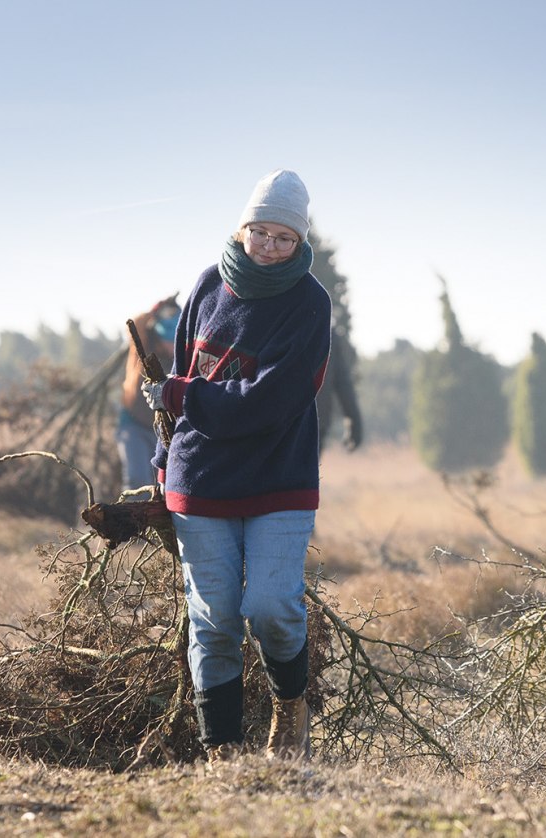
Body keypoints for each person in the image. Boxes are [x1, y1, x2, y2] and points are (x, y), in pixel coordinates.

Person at [140, 169, 330, 762]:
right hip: (200, 482)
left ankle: (289, 707)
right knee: (214, 621)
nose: (270, 247)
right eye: (261, 232)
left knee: (272, 605)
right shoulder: (206, 287)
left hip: (279, 479)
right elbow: (178, 380)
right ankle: (222, 757)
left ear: (300, 243)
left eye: (284, 238)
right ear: (242, 227)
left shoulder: (309, 304)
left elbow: (271, 401)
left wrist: (183, 397)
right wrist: (164, 462)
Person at [119, 294, 182, 491]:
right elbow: (134, 325)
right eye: (168, 340)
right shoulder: (144, 345)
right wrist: (154, 311)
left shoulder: (182, 354)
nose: (171, 347)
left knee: (160, 483)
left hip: (162, 428)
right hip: (133, 423)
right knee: (137, 479)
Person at [315, 317, 363, 454]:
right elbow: (343, 381)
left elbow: (342, 380)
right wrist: (354, 420)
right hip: (315, 422)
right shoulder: (326, 332)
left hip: (311, 423)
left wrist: (354, 420)